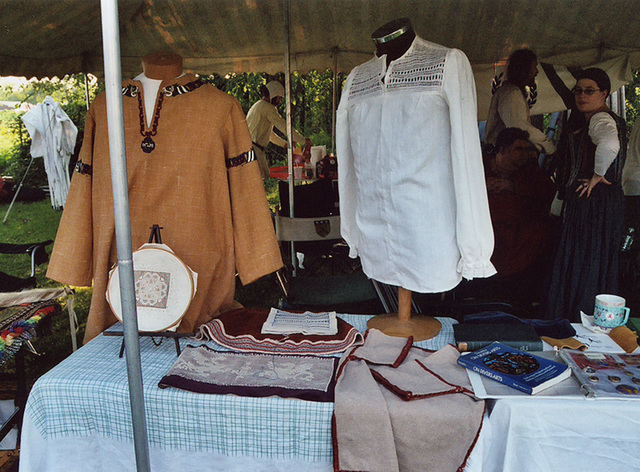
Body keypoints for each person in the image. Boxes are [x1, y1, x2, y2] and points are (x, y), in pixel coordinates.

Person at [47, 52, 283, 342]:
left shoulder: (221, 108)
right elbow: (85, 182)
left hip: (200, 260)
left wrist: (256, 256)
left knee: (198, 339)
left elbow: (245, 185)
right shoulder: (103, 107)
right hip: (120, 260)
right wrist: (76, 255)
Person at [545, 68, 627, 321]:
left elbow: (610, 144)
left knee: (584, 261)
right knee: (595, 262)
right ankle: (590, 320)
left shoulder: (600, 119)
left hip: (591, 204)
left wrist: (597, 174)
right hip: (604, 204)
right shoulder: (599, 118)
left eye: (589, 91)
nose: (582, 95)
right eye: (578, 90)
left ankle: (573, 318)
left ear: (604, 93)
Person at [485, 128, 556, 278]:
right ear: (503, 149)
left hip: (521, 244)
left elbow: (548, 192)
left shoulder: (529, 171)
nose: (524, 153)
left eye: (526, 149)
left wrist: (512, 186)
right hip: (488, 236)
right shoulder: (481, 167)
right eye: (518, 149)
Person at [485, 48, 556, 155]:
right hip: (502, 157)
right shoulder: (511, 93)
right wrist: (548, 145)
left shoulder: (512, 91)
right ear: (524, 69)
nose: (536, 71)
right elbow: (519, 128)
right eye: (534, 67)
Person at [246, 81, 309, 179]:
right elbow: (284, 127)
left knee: (263, 177)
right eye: (279, 98)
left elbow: (269, 134)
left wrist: (284, 143)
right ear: (274, 95)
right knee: (257, 182)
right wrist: (303, 141)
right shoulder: (267, 108)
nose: (279, 102)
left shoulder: (258, 106)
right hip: (253, 150)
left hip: (252, 149)